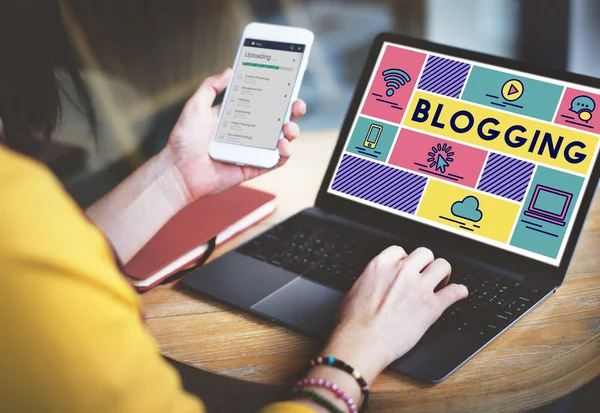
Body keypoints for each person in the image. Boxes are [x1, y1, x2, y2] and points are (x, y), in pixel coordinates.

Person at [0, 2, 468, 412]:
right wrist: (361, 346)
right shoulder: (16, 214)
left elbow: (53, 253)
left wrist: (175, 176)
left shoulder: (21, 207)